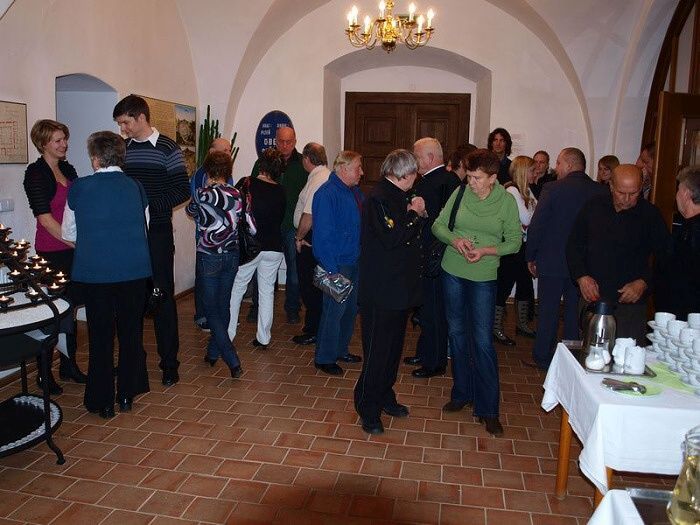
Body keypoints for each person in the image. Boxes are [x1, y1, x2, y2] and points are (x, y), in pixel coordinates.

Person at [433, 148, 521, 437]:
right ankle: (462, 392)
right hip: (452, 271)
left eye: (477, 178)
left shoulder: (506, 202)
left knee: (482, 341)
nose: (470, 182)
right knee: (457, 334)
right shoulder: (460, 193)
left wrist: (485, 250)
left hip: (483, 276)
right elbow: (438, 226)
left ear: (493, 178)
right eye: (469, 176)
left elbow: (514, 242)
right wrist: (455, 241)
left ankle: (488, 409)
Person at [64, 131, 151, 419]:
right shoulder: (136, 187)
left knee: (100, 336)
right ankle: (126, 393)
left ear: (95, 158)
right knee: (130, 333)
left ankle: (101, 401)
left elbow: (68, 232)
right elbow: (144, 226)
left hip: (96, 273)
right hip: (133, 271)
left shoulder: (79, 188)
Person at [113, 95, 189, 387]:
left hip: (157, 233)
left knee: (162, 297)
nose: (123, 129)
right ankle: (134, 363)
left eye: (125, 122)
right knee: (132, 297)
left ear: (141, 117)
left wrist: (148, 206)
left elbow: (182, 190)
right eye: (120, 124)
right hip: (129, 236)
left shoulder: (168, 148)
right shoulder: (124, 149)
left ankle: (169, 364)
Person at [354, 149, 426, 435]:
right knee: (377, 352)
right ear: (403, 174)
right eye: (414, 173)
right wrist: (415, 215)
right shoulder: (379, 197)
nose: (416, 178)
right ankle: (367, 407)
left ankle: (385, 395)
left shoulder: (398, 195)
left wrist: (414, 213)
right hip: (380, 292)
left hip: (398, 289)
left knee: (393, 350)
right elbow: (392, 237)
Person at [567, 164, 670, 342]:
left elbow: (666, 257)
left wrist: (644, 282)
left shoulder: (650, 215)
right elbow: (574, 245)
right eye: (621, 193)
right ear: (611, 186)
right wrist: (581, 277)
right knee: (592, 351)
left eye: (634, 193)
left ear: (641, 187)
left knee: (628, 354)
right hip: (594, 298)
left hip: (630, 305)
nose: (627, 199)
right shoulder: (593, 207)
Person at [525, 148, 608, 369]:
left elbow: (538, 225)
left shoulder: (552, 188)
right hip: (583, 266)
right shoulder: (600, 191)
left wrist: (530, 255)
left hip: (552, 260)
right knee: (574, 314)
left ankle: (542, 357)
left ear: (570, 165)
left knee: (548, 312)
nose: (556, 168)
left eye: (559, 163)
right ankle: (571, 359)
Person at [23, 119, 86, 394]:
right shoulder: (35, 174)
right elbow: (46, 220)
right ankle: (44, 372)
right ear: (43, 143)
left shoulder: (68, 169)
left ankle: (69, 365)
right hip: (51, 251)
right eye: (58, 140)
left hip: (71, 249)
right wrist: (76, 243)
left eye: (64, 139)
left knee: (70, 309)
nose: (64, 145)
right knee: (52, 313)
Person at [187, 150, 244, 378]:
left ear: (208, 170)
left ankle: (232, 359)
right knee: (223, 305)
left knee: (211, 309)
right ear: (228, 171)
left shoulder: (202, 193)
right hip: (231, 254)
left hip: (209, 255)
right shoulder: (237, 193)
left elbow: (190, 211)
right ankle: (212, 353)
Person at [406, 137, 460, 379]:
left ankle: (434, 362)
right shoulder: (435, 180)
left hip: (436, 257)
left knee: (434, 310)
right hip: (429, 255)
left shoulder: (443, 181)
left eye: (417, 157)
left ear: (429, 158)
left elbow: (446, 221)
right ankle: (424, 352)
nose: (414, 162)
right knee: (426, 309)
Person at [312, 150, 364, 375]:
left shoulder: (354, 192)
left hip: (353, 260)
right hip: (337, 264)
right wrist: (331, 269)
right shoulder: (327, 194)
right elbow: (322, 236)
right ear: (343, 169)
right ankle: (324, 357)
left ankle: (341, 349)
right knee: (333, 311)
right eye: (358, 168)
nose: (362, 172)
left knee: (350, 310)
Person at [227, 149, 286, 348]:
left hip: (250, 247)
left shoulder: (246, 183)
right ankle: (263, 337)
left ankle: (228, 334)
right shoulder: (281, 191)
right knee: (267, 292)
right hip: (274, 246)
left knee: (237, 288)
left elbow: (234, 209)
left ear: (261, 165)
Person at [248, 126, 307, 324]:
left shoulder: (302, 164)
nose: (285, 145)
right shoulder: (262, 163)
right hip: (267, 226)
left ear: (295, 141)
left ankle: (292, 308)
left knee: (294, 270)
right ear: (275, 141)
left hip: (290, 225)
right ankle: (257, 307)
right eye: (281, 141)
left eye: (289, 141)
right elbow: (252, 189)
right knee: (260, 268)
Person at [493, 156, 537, 345]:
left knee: (525, 286)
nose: (536, 173)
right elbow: (528, 218)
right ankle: (495, 328)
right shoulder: (512, 190)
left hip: (523, 246)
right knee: (504, 287)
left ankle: (522, 325)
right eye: (532, 170)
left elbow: (532, 217)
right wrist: (533, 215)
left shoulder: (526, 190)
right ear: (523, 172)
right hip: (511, 248)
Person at [190, 137, 232, 332]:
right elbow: (195, 207)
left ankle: (218, 318)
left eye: (229, 150)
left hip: (224, 240)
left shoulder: (226, 174)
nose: (229, 154)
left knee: (218, 281)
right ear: (212, 152)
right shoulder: (201, 174)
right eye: (225, 150)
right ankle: (202, 315)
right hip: (207, 238)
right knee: (204, 277)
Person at [292, 143, 331, 345]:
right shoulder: (324, 175)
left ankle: (314, 329)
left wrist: (299, 238)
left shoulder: (318, 179)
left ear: (307, 159)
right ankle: (313, 326)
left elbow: (309, 215)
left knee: (310, 286)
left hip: (310, 238)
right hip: (317, 237)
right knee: (315, 285)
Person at [655, 166, 700, 319]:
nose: (676, 195)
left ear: (686, 193)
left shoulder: (691, 232)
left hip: (685, 318)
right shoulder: (688, 228)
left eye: (678, 189)